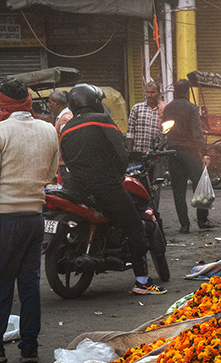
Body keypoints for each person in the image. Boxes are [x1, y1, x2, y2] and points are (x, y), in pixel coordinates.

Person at [0, 79, 59, 363]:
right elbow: (51, 174)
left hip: (4, 218)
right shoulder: (48, 130)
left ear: (2, 103)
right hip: (34, 217)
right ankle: (29, 345)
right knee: (29, 282)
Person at [59, 82, 165, 296]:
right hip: (105, 186)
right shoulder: (102, 120)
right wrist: (118, 174)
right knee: (134, 227)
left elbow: (67, 159)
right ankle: (142, 282)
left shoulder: (66, 128)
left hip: (76, 188)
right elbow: (122, 154)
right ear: (94, 102)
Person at [162, 78, 210, 234]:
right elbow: (197, 132)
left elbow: (165, 130)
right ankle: (202, 221)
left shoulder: (168, 108)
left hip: (173, 152)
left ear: (175, 91)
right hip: (189, 152)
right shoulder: (191, 108)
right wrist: (204, 152)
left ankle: (184, 224)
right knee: (199, 185)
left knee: (178, 190)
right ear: (187, 92)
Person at [126, 80, 164, 154]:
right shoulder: (137, 108)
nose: (149, 95)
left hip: (156, 153)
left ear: (159, 93)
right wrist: (130, 152)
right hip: (138, 152)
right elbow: (130, 132)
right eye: (147, 92)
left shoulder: (163, 110)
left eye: (153, 92)